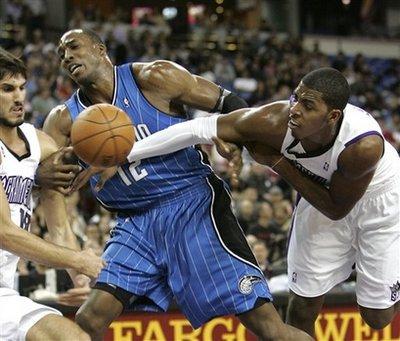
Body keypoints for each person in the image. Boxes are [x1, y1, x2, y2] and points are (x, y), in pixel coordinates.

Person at [42, 29, 312, 340]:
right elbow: (50, 193)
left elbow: (228, 102)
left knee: (266, 325)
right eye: (61, 54)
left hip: (192, 205)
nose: (67, 57)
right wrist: (42, 176)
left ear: (100, 49)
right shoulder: (62, 121)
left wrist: (235, 137)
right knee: (88, 320)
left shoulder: (154, 77)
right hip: (135, 222)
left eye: (73, 47)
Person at [123, 67, 400, 336]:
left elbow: (337, 207)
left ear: (333, 115)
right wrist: (124, 155)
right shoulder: (275, 120)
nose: (295, 108)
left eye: (308, 105)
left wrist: (277, 162)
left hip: (377, 200)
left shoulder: (363, 146)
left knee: (376, 318)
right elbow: (197, 128)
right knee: (302, 303)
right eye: (295, 97)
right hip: (320, 197)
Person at [0, 48, 104, 340]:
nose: (19, 97)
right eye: (7, 89)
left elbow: (58, 225)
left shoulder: (41, 145)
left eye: (21, 87)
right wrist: (78, 260)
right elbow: (4, 233)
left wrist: (80, 279)